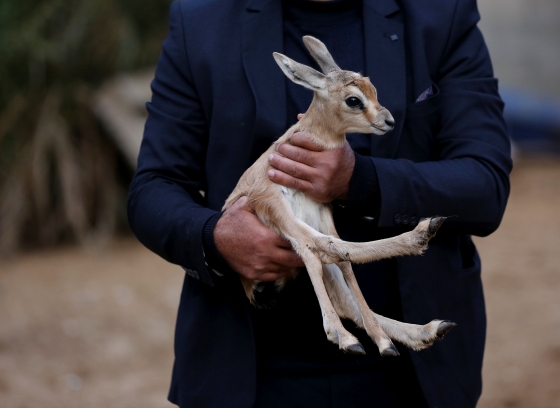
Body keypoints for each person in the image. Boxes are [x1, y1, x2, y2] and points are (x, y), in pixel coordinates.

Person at [128, 0, 512, 407]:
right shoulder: (201, 20)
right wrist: (216, 237)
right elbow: (154, 187)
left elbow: (484, 185)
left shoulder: (441, 14)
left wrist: (360, 181)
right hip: (250, 372)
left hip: (410, 379)